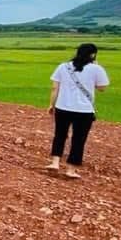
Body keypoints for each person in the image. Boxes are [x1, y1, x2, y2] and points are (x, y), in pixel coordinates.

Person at [47, 43, 109, 178]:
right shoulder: (96, 69)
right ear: (93, 55)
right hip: (84, 111)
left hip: (63, 107)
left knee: (60, 135)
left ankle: (55, 163)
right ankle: (70, 170)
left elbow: (54, 88)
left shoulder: (63, 66)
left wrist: (52, 104)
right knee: (79, 140)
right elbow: (102, 88)